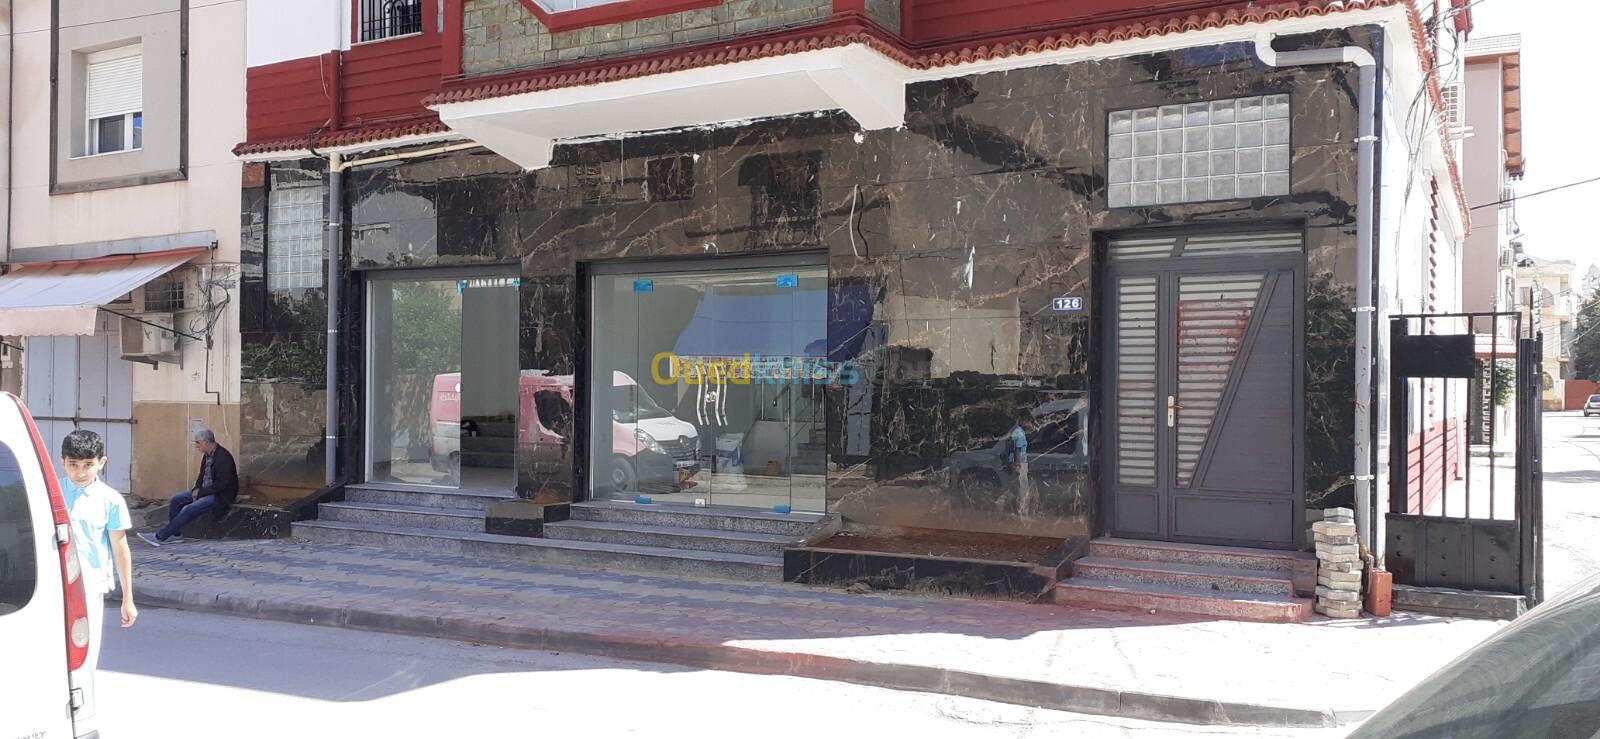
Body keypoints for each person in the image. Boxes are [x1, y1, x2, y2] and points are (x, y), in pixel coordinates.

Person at [60, 428, 138, 718]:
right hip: (53, 585)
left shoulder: (110, 500)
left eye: (87, 465)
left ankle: (81, 716)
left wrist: (128, 598)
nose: (80, 472)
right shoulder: (50, 493)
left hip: (89, 587)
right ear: (62, 462)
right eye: (73, 465)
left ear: (101, 463)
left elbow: (120, 549)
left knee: (84, 654)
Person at [138, 429, 237, 546]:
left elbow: (222, 485)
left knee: (189, 509)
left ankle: (160, 537)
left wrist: (200, 493)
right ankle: (176, 535)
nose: (196, 446)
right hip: (205, 491)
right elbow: (202, 475)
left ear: (206, 442)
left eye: (198, 442)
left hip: (220, 495)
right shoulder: (207, 456)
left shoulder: (223, 457)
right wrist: (196, 489)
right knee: (176, 499)